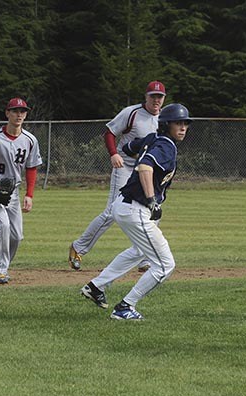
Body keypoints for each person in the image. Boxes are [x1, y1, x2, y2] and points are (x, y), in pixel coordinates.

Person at [79, 103, 191, 320]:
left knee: (139, 251)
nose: (183, 127)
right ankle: (125, 307)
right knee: (165, 265)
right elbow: (145, 167)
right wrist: (151, 200)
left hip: (124, 205)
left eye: (186, 123)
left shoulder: (153, 139)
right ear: (166, 125)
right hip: (136, 208)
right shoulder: (166, 146)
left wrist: (138, 150)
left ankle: (96, 286)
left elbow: (129, 148)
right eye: (178, 123)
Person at [68, 81, 166, 272]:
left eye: (159, 96)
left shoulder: (164, 118)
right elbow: (110, 132)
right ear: (145, 97)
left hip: (146, 171)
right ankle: (78, 248)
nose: (156, 100)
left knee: (153, 210)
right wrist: (113, 153)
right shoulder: (132, 112)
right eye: (153, 96)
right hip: (124, 166)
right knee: (112, 212)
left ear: (164, 99)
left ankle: (145, 257)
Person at [0, 98, 42, 284]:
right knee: (2, 226)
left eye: (22, 111)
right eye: (15, 111)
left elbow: (32, 167)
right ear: (7, 113)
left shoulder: (30, 140)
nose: (19, 114)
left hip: (13, 192)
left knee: (17, 236)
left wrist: (29, 194)